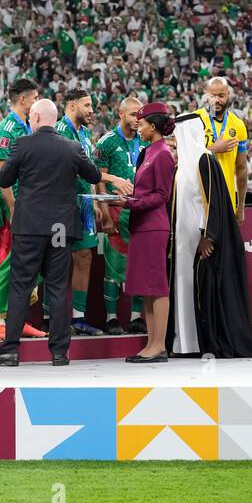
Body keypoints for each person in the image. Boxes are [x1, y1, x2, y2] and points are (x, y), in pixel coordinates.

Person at [0, 98, 102, 367]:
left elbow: (3, 180)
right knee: (58, 286)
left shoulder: (23, 144)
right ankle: (60, 353)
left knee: (21, 285)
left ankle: (10, 351)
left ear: (35, 118)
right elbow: (94, 176)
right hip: (61, 227)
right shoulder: (72, 147)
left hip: (30, 227)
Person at [167, 109, 252, 358]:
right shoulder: (182, 165)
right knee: (182, 289)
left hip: (200, 240)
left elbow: (215, 202)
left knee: (198, 290)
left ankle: (202, 342)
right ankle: (184, 344)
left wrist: (209, 236)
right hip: (182, 241)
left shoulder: (204, 159)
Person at [56, 88, 134, 335]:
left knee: (85, 259)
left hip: (85, 204)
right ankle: (52, 320)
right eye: (87, 105)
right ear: (71, 106)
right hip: (62, 205)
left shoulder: (86, 133)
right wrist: (110, 181)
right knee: (56, 263)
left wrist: (97, 203)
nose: (92, 110)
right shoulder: (60, 131)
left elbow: (89, 169)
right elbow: (74, 168)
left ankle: (78, 319)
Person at [0, 78, 47, 340]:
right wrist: (12, 207)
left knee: (29, 264)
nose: (37, 101)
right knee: (6, 262)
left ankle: (17, 318)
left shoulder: (28, 126)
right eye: (35, 97)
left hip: (32, 206)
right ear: (23, 99)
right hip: (12, 207)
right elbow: (2, 175)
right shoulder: (6, 129)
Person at [118, 103, 176, 363]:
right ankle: (151, 344)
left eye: (141, 124)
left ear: (152, 126)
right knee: (147, 287)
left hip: (153, 225)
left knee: (157, 286)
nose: (137, 127)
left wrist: (131, 203)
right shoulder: (149, 151)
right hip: (143, 225)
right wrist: (127, 197)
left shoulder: (162, 153)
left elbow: (162, 195)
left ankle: (159, 345)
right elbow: (145, 191)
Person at [94, 96, 146, 336]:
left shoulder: (144, 141)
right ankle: (111, 318)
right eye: (133, 114)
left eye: (140, 114)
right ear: (121, 114)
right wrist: (104, 214)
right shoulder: (106, 142)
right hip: (115, 209)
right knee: (114, 267)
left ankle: (137, 317)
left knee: (139, 265)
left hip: (140, 209)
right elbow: (99, 181)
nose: (138, 119)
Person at [194, 77, 249, 222]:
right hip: (199, 200)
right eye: (212, 95)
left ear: (228, 95)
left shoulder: (238, 125)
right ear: (206, 95)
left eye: (221, 95)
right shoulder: (194, 120)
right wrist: (213, 149)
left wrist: (241, 206)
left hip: (227, 201)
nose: (216, 100)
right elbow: (186, 159)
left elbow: (242, 168)